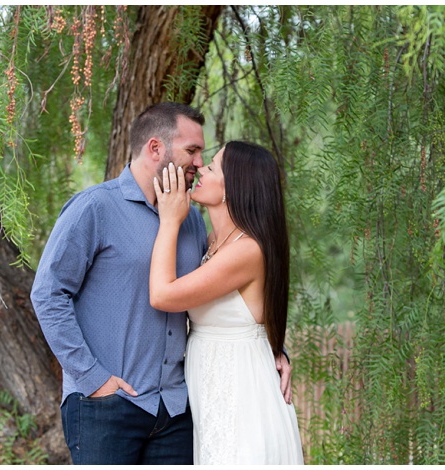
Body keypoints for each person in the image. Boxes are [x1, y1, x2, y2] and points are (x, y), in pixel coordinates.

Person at [30, 103, 292, 465]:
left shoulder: (193, 224)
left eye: (203, 154)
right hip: (108, 404)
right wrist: (93, 379)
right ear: (156, 149)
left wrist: (272, 349)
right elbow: (47, 294)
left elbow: (230, 297)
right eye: (192, 151)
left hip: (177, 410)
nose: (199, 163)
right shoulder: (95, 208)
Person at [149, 141, 304, 464]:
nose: (200, 169)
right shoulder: (213, 243)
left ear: (234, 187)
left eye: (213, 167)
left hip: (242, 395)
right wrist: (277, 349)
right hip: (213, 391)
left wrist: (168, 222)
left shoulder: (247, 251)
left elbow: (162, 295)